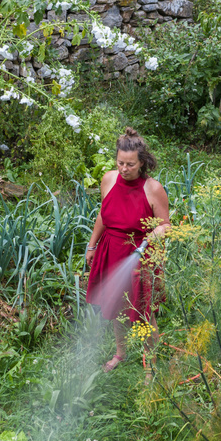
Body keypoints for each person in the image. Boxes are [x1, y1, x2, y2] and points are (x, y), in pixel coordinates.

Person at [85, 127, 170, 372]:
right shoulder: (109, 179)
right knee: (115, 305)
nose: (124, 169)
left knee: (144, 312)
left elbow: (166, 225)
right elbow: (104, 214)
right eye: (120, 162)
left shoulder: (153, 188)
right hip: (111, 249)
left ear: (142, 163)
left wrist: (156, 232)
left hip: (140, 255)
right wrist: (92, 245)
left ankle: (150, 365)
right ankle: (120, 353)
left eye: (130, 164)